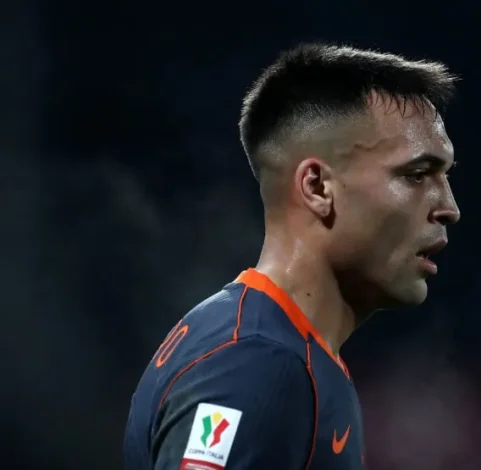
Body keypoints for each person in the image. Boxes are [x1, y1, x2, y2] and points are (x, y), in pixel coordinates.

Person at [123, 42, 461, 470]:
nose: (449, 207)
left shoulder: (283, 351)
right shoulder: (255, 368)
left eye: (444, 176)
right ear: (317, 187)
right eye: (417, 175)